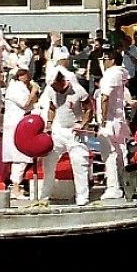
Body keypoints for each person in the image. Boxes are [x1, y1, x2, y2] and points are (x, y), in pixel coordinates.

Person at [39, 67, 92, 206]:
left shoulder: (78, 90)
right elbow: (52, 108)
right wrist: (49, 123)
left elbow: (89, 108)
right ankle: (44, 195)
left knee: (79, 163)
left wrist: (83, 124)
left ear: (60, 81)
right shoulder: (52, 91)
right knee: (48, 161)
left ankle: (82, 197)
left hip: (75, 131)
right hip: (58, 129)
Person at [97, 47, 137, 199]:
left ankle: (113, 187)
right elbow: (129, 100)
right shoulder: (121, 77)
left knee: (109, 154)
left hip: (109, 121)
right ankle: (124, 183)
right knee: (120, 153)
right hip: (119, 120)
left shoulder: (110, 76)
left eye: (104, 59)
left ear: (111, 60)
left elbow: (105, 97)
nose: (103, 62)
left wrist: (103, 119)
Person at [2, 64, 40, 199]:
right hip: (16, 126)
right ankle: (15, 188)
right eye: (24, 73)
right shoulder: (15, 88)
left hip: (22, 125)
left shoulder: (23, 87)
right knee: (20, 157)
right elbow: (25, 103)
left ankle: (18, 186)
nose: (27, 76)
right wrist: (34, 90)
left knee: (23, 157)